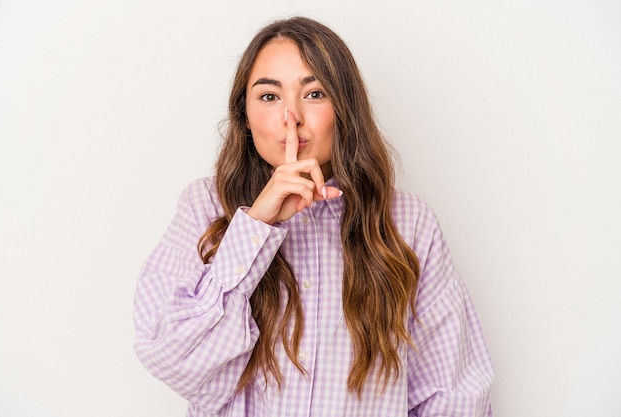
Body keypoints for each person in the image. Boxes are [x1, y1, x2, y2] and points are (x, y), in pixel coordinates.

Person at [133, 16, 493, 417]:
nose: (292, 117)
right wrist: (256, 226)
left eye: (315, 93)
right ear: (244, 115)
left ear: (344, 109)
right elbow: (170, 355)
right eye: (269, 96)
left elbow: (454, 394)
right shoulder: (205, 206)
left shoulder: (407, 222)